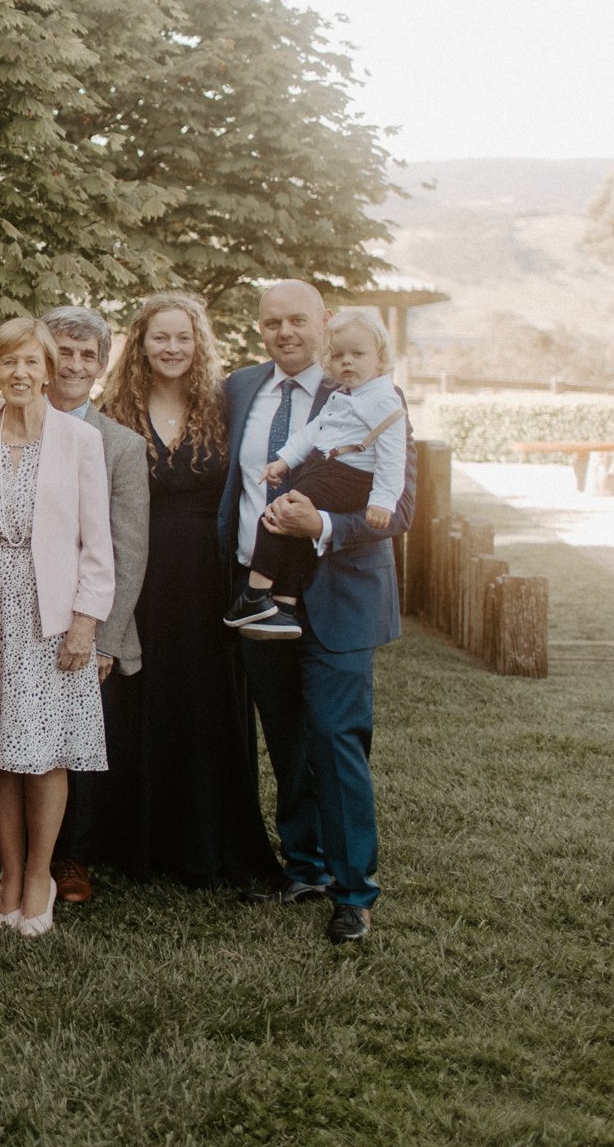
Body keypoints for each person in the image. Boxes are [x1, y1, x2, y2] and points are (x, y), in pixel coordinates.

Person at [220, 280, 413, 944]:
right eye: (270, 321)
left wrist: (323, 523)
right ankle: (302, 868)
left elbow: (403, 507)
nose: (284, 332)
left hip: (341, 597)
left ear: (325, 324)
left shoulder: (369, 390)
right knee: (286, 740)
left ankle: (354, 892)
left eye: (297, 319)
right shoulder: (240, 390)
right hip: (261, 601)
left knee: (335, 741)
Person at [0, 307, 149, 907]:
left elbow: (98, 540)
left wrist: (86, 623)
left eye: (31, 361)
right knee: (0, 753)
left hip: (52, 617)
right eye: (7, 361)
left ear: (47, 369)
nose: (20, 371)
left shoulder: (81, 440)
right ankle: (9, 876)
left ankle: (41, 877)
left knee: (45, 752)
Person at [84, 292, 280, 891]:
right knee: (133, 700)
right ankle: (126, 839)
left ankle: (205, 838)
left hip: (207, 577)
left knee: (205, 699)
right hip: (135, 572)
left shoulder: (224, 406)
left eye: (183, 338)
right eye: (159, 338)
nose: (172, 349)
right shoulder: (110, 408)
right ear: (139, 344)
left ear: (199, 344)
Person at [224, 308, 408, 642]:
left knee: (278, 513)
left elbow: (393, 458)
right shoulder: (342, 394)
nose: (347, 362)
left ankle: (254, 595)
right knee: (295, 533)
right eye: (338, 356)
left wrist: (382, 500)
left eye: (357, 354)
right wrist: (283, 461)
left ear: (380, 359)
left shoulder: (384, 398)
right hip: (328, 470)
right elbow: (313, 432)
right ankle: (284, 603)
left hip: (348, 478)